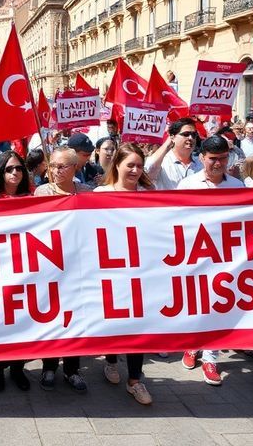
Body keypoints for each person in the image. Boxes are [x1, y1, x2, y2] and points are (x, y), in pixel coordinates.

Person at [176, 136, 245, 387]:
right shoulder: (187, 185)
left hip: (227, 260)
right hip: (195, 258)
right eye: (213, 159)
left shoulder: (237, 186)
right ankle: (193, 343)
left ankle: (211, 357)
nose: (218, 164)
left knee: (220, 307)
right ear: (202, 157)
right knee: (197, 305)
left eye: (223, 158)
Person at [94, 143, 154, 404]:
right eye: (130, 164)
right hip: (108, 270)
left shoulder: (151, 196)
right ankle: (110, 360)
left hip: (141, 270)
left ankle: (135, 380)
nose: (135, 170)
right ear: (116, 164)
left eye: (140, 166)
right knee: (114, 321)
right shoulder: (99, 193)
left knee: (137, 325)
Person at [35, 148, 89, 393]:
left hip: (78, 268)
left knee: (75, 319)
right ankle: (49, 366)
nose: (56, 170)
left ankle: (72, 370)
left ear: (75, 168)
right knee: (53, 318)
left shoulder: (88, 193)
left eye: (62, 166)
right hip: (51, 266)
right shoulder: (42, 192)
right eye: (53, 165)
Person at [0, 150, 32, 391]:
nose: (15, 173)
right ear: (0, 172)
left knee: (21, 322)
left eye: (19, 168)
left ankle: (17, 368)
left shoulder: (32, 198)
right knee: (0, 322)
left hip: (25, 270)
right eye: (9, 169)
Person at [144, 118, 202, 190]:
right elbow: (148, 171)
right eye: (186, 134)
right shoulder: (162, 161)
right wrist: (167, 144)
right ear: (172, 137)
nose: (190, 138)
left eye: (194, 135)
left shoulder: (201, 162)